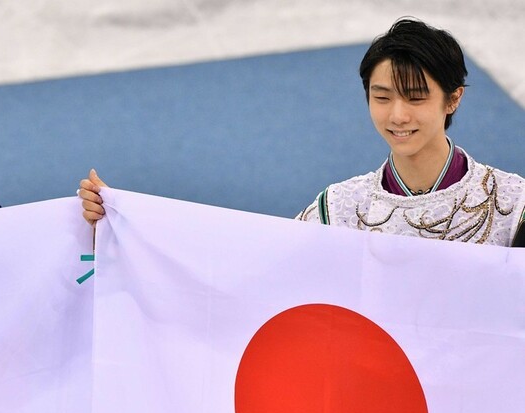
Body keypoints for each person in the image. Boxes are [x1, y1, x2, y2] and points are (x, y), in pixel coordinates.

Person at [78, 18, 525, 246]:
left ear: (453, 99)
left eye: (416, 97)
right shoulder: (340, 209)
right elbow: (249, 263)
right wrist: (123, 226)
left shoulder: (513, 204)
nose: (397, 115)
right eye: (382, 96)